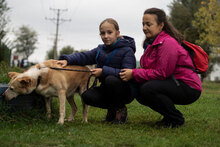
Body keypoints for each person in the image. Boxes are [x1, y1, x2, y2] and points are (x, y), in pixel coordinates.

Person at [120, 8, 202, 128]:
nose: (144, 28)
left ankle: (176, 119)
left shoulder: (168, 42)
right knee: (139, 87)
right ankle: (169, 117)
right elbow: (149, 69)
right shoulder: (153, 43)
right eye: (143, 24)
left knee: (148, 89)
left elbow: (162, 73)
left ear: (161, 25)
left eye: (149, 24)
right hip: (174, 82)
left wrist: (134, 73)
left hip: (188, 86)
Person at [57, 18, 136, 124]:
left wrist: (103, 71)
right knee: (87, 96)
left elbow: (127, 73)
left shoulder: (127, 50)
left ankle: (121, 108)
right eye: (102, 33)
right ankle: (112, 108)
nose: (106, 36)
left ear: (117, 33)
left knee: (110, 80)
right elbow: (84, 56)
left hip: (125, 90)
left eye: (109, 32)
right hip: (107, 88)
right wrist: (67, 59)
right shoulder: (100, 49)